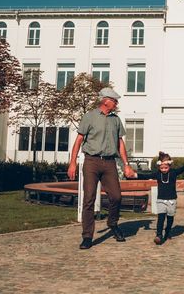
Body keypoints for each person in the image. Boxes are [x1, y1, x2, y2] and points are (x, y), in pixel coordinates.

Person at [67, 87, 135, 250]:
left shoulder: (116, 120)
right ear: (106, 101)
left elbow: (120, 143)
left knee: (116, 196)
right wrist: (72, 162)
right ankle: (87, 236)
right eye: (114, 100)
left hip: (110, 163)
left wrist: (126, 165)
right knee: (89, 199)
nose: (116, 103)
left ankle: (112, 223)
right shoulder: (89, 117)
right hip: (91, 162)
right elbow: (78, 141)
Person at [128, 151, 184, 245]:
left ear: (170, 166)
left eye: (166, 168)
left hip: (172, 200)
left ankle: (167, 232)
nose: (164, 169)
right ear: (159, 167)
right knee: (161, 217)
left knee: (170, 218)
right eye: (162, 168)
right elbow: (146, 176)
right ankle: (159, 235)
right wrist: (135, 175)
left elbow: (183, 168)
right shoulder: (158, 174)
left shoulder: (173, 172)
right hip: (161, 200)